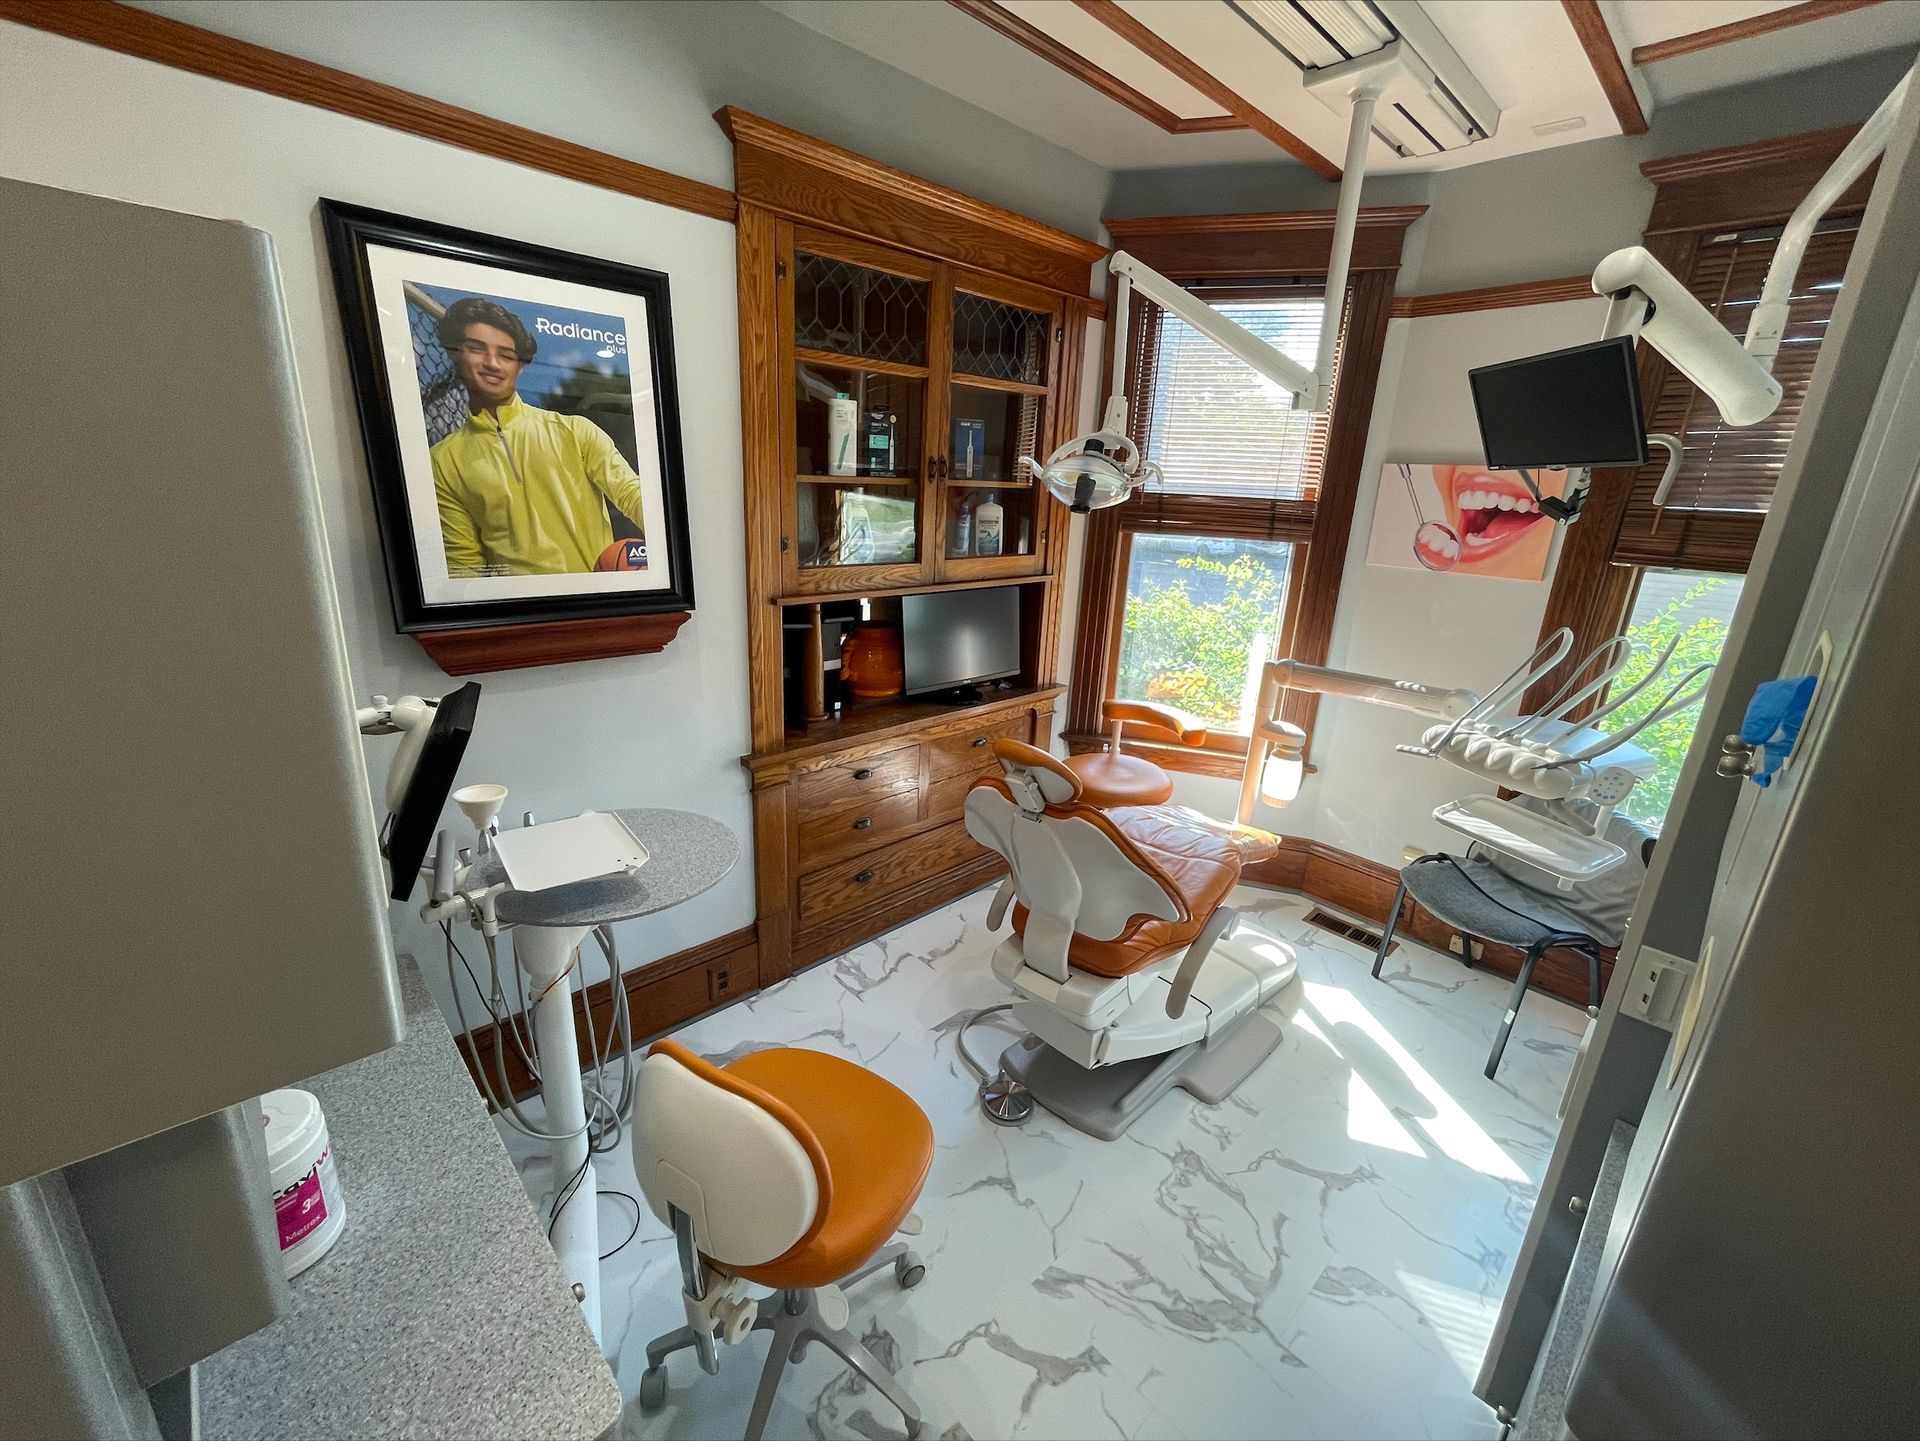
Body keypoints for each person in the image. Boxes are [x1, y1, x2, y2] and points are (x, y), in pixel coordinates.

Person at [428, 296, 647, 577]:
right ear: (455, 354)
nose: (492, 363)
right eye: (477, 349)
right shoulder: (442, 461)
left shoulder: (575, 431)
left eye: (506, 354)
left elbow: (632, 494)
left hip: (598, 596)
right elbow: (464, 565)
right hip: (521, 605)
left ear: (520, 365)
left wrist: (666, 562)